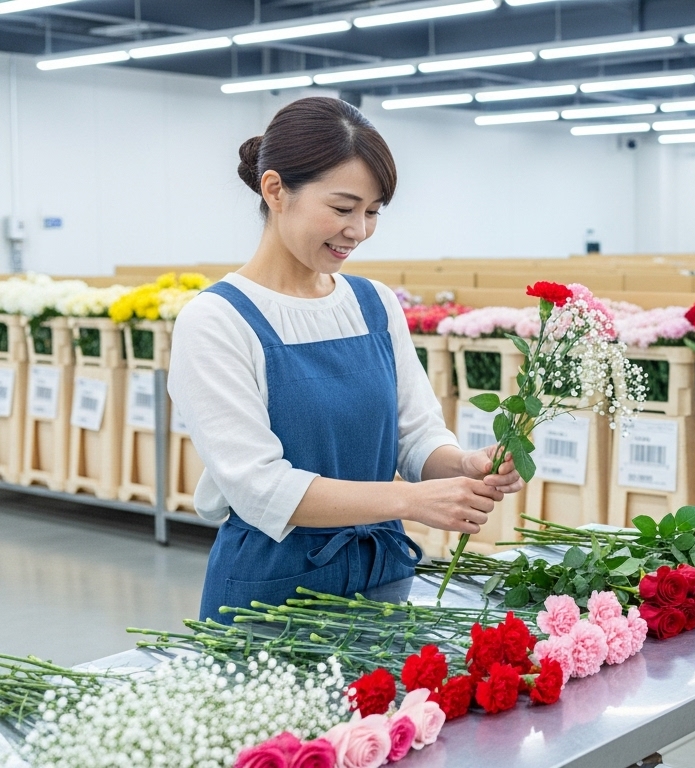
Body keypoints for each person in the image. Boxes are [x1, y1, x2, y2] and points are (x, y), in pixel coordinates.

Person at [169, 96, 520, 623]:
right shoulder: (216, 321)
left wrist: (461, 466)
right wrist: (409, 502)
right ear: (275, 189)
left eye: (373, 211)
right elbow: (262, 486)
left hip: (382, 573)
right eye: (342, 208)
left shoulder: (373, 304)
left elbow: (414, 435)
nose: (359, 230)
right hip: (272, 589)